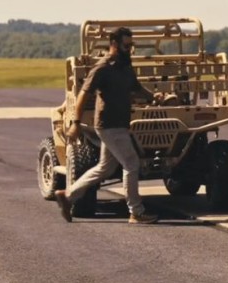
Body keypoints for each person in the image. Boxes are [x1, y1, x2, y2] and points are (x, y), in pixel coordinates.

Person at [55, 27, 165, 224]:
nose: (130, 49)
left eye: (131, 46)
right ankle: (136, 211)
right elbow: (84, 94)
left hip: (120, 124)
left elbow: (136, 87)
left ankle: (67, 195)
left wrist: (153, 97)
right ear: (113, 44)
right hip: (109, 125)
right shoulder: (103, 67)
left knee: (104, 168)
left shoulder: (125, 65)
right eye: (126, 45)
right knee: (131, 163)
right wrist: (76, 123)